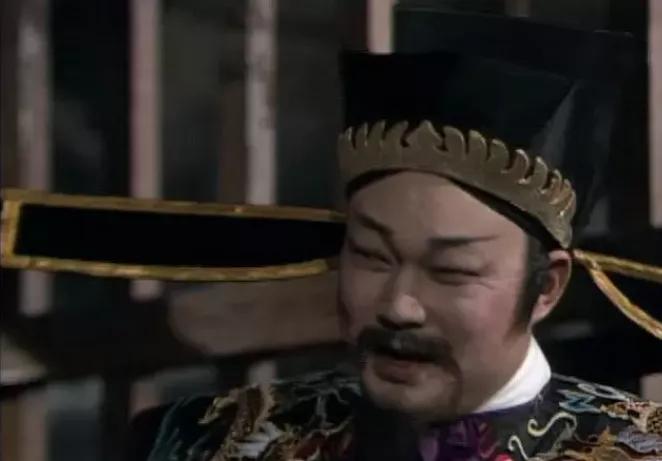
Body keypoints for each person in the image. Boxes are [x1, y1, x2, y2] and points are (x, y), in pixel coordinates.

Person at [2, 10, 660, 461]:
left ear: (546, 287)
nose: (398, 305)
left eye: (452, 271)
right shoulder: (204, 441)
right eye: (371, 254)